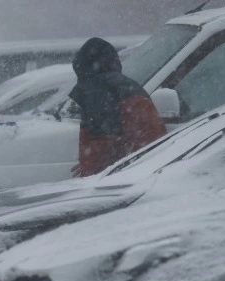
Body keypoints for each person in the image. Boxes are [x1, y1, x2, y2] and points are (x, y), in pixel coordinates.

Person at [69, 37, 166, 177]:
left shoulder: (98, 90)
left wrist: (90, 170)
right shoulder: (123, 85)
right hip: (153, 161)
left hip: (131, 171)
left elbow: (106, 140)